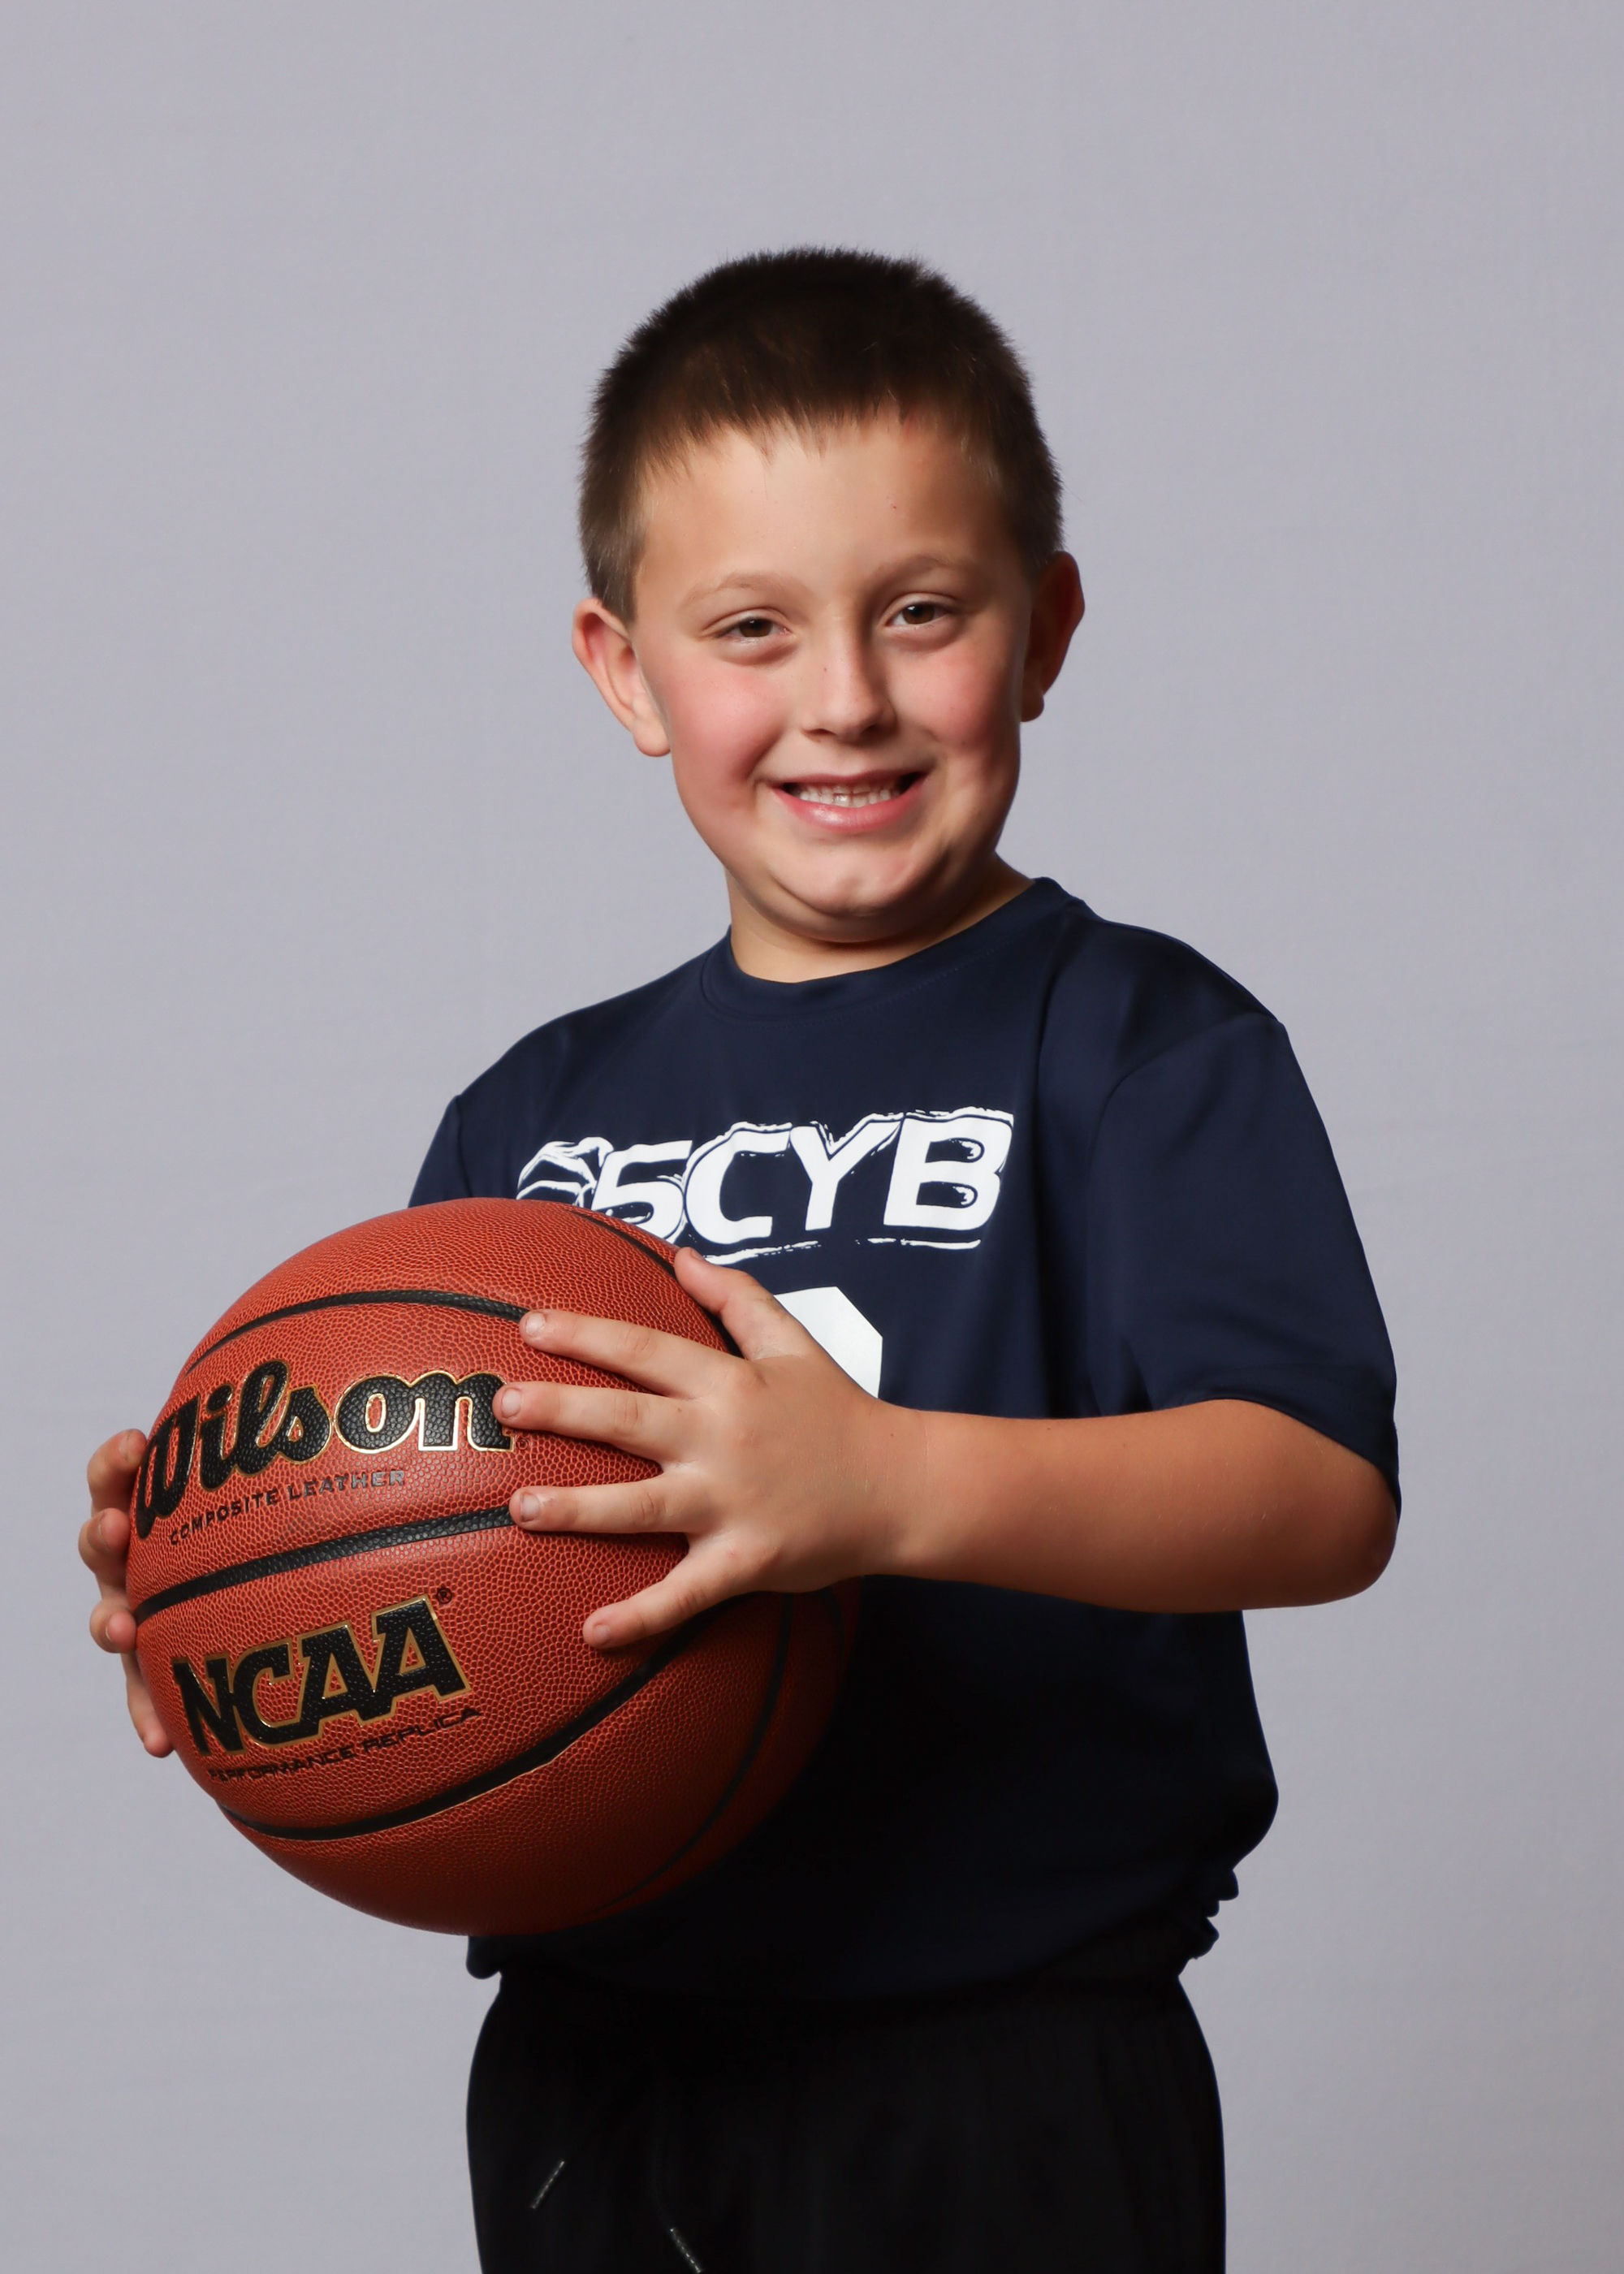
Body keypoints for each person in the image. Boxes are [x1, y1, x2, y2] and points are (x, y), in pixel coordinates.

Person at [81, 249, 1399, 2272]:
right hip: (597, 2064)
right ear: (627, 673)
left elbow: (1317, 1492)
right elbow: (425, 1529)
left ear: (1044, 630)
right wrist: (226, 1553)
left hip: (1009, 2060)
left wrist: (882, 1478)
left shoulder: (1135, 1042)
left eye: (921, 610)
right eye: (753, 628)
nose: (843, 696)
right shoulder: (529, 1118)